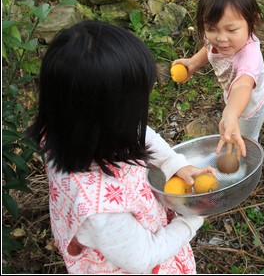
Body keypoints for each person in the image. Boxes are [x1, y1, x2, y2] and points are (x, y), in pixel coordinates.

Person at [27, 20, 216, 274]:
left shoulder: (64, 129)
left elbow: (141, 133)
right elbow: (145, 257)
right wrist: (192, 220)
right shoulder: (100, 215)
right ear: (109, 122)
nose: (140, 117)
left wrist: (174, 164)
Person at [173, 0, 264, 158]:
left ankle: (246, 161)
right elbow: (208, 47)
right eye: (211, 29)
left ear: (252, 21)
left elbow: (243, 85)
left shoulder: (250, 56)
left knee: (246, 137)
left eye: (231, 30)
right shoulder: (217, 35)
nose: (221, 38)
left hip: (251, 101)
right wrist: (192, 64)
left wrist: (232, 113)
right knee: (233, 123)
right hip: (232, 94)